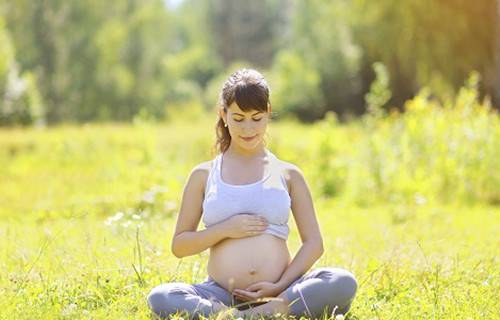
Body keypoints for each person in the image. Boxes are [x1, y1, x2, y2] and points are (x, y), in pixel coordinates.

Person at [146, 68, 358, 319]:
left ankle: (255, 313)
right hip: (220, 293)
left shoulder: (288, 174)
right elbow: (180, 245)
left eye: (257, 118)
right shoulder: (203, 175)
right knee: (161, 297)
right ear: (223, 114)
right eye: (238, 118)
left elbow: (314, 243)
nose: (248, 129)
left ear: (268, 113)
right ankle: (239, 315)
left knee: (342, 281)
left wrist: (280, 287)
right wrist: (225, 229)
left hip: (281, 291)